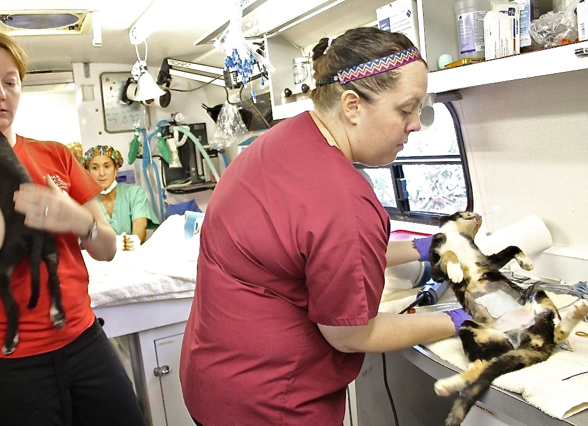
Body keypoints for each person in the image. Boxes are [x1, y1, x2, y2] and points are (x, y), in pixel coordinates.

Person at [180, 27, 469, 425]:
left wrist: (424, 249)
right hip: (271, 402)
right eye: (406, 109)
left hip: (214, 377)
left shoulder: (281, 140)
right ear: (352, 105)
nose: (416, 124)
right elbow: (350, 335)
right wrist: (456, 321)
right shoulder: (343, 198)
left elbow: (316, 251)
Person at [0, 29, 146, 426]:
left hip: (82, 338)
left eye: (10, 81)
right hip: (0, 358)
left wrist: (76, 219)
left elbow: (106, 247)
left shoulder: (53, 154)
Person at [82, 144, 159, 250]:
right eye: (95, 168)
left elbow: (140, 224)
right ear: (87, 171)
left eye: (107, 166)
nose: (101, 173)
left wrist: (135, 240)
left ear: (116, 168)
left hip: (130, 258)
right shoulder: (82, 201)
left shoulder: (134, 193)